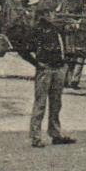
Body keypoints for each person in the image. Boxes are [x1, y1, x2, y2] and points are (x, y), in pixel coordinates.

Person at [26, 8, 74, 146]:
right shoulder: (36, 30)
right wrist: (36, 63)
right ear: (44, 16)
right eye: (50, 14)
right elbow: (24, 48)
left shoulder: (56, 29)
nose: (53, 16)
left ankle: (55, 133)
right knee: (40, 103)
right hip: (46, 69)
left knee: (56, 103)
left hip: (58, 68)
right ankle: (36, 136)